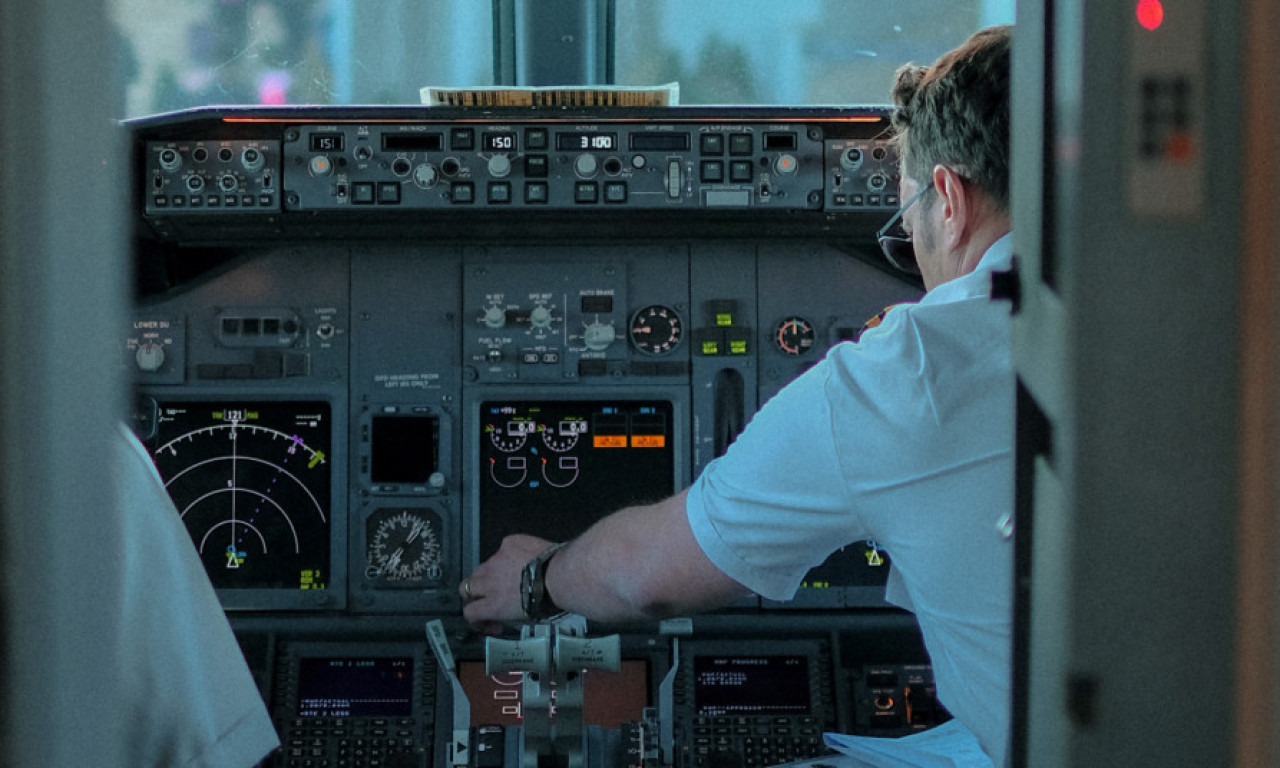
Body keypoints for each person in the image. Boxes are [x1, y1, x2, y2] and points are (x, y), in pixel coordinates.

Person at [461, 25, 1015, 767]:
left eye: (906, 219)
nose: (914, 251)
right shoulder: (1216, 338)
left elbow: (644, 577)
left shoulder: (910, 371)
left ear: (948, 198)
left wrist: (538, 578)